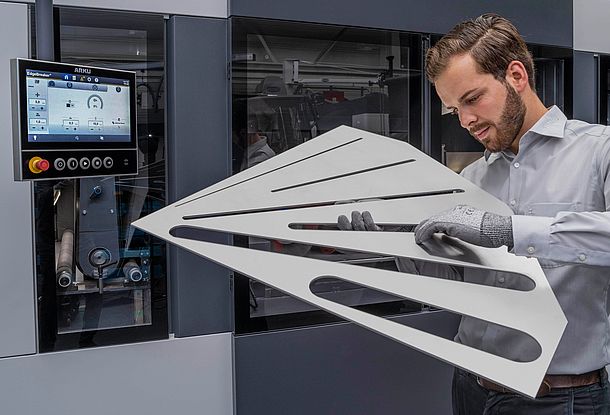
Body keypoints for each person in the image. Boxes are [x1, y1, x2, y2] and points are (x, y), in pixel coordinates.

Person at [339, 14, 610, 415]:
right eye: (454, 110)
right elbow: (458, 281)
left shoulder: (598, 151)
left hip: (556, 397)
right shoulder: (472, 177)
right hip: (471, 386)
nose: (465, 121)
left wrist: (505, 229)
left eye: (471, 99)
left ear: (515, 75)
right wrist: (393, 244)